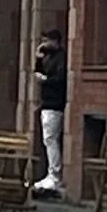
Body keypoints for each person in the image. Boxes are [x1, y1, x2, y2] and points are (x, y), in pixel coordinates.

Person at [32, 27, 67, 197]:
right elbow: (39, 72)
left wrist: (45, 80)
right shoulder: (49, 57)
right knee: (48, 139)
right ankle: (50, 173)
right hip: (47, 102)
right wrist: (38, 60)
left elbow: (59, 79)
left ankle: (55, 174)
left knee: (51, 139)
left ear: (55, 41)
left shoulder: (61, 57)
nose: (45, 44)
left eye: (47, 40)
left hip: (54, 103)